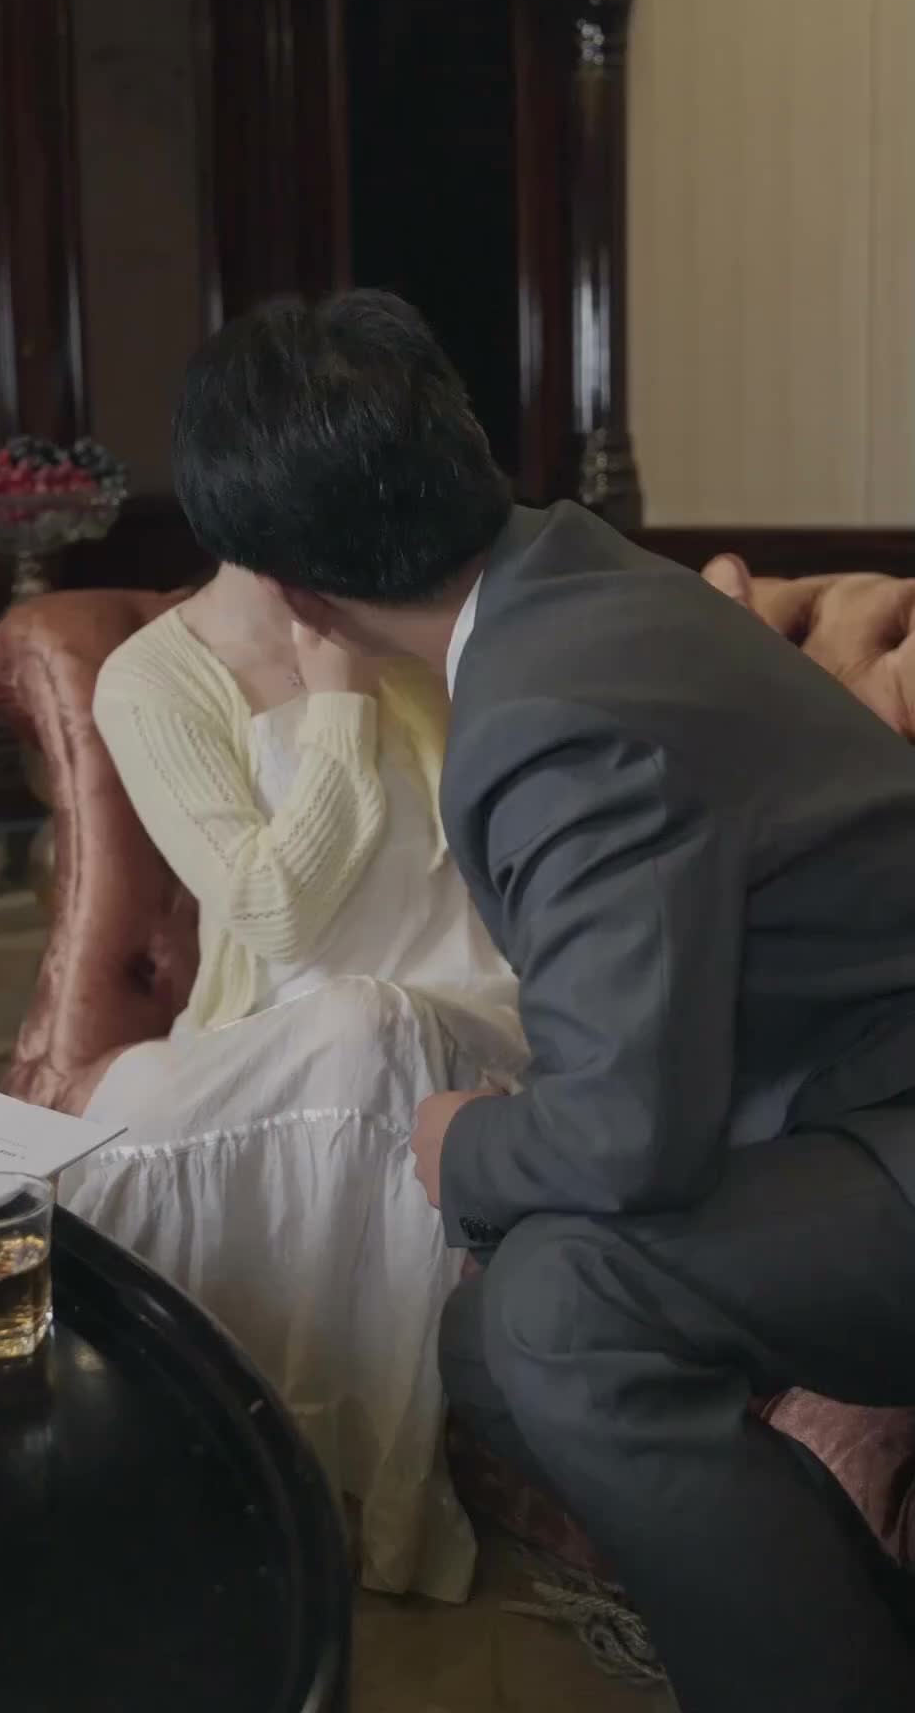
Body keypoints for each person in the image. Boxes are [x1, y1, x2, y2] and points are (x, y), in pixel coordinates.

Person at [164, 286, 915, 1713]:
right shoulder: (579, 572)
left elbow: (627, 1139)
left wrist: (465, 1144)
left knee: (559, 1312)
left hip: (888, 1115)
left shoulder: (549, 709)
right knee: (489, 1342)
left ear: (294, 591)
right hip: (851, 1094)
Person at [61, 557, 528, 1603]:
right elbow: (273, 914)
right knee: (135, 1097)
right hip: (272, 1037)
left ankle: (325, 1498)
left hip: (470, 1021)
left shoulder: (417, 619)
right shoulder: (153, 678)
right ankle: (172, 1461)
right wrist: (339, 712)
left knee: (369, 1026)